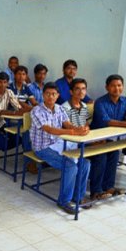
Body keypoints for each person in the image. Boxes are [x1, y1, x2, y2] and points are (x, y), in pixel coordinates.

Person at [30, 82, 91, 214]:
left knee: (85, 163)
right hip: (43, 147)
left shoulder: (59, 108)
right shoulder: (36, 110)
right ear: (43, 95)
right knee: (70, 166)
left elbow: (67, 124)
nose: (51, 97)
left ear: (58, 95)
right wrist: (72, 133)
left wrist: (78, 129)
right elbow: (49, 129)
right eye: (47, 94)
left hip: (58, 144)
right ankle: (64, 201)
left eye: (53, 94)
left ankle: (78, 197)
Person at [90, 74, 126, 200]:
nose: (116, 88)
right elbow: (106, 121)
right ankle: (95, 191)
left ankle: (109, 187)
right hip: (98, 139)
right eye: (113, 86)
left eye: (119, 85)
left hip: (114, 138)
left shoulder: (125, 101)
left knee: (115, 153)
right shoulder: (100, 102)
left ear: (123, 87)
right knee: (102, 156)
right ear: (107, 87)